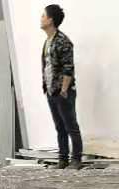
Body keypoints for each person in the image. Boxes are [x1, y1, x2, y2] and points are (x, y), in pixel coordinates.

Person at [41, 4, 82, 170]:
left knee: (71, 127)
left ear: (50, 20)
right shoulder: (48, 41)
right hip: (51, 91)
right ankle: (63, 160)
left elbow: (68, 68)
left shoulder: (63, 41)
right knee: (60, 128)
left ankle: (76, 160)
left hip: (63, 92)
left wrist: (64, 90)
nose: (41, 19)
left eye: (43, 16)